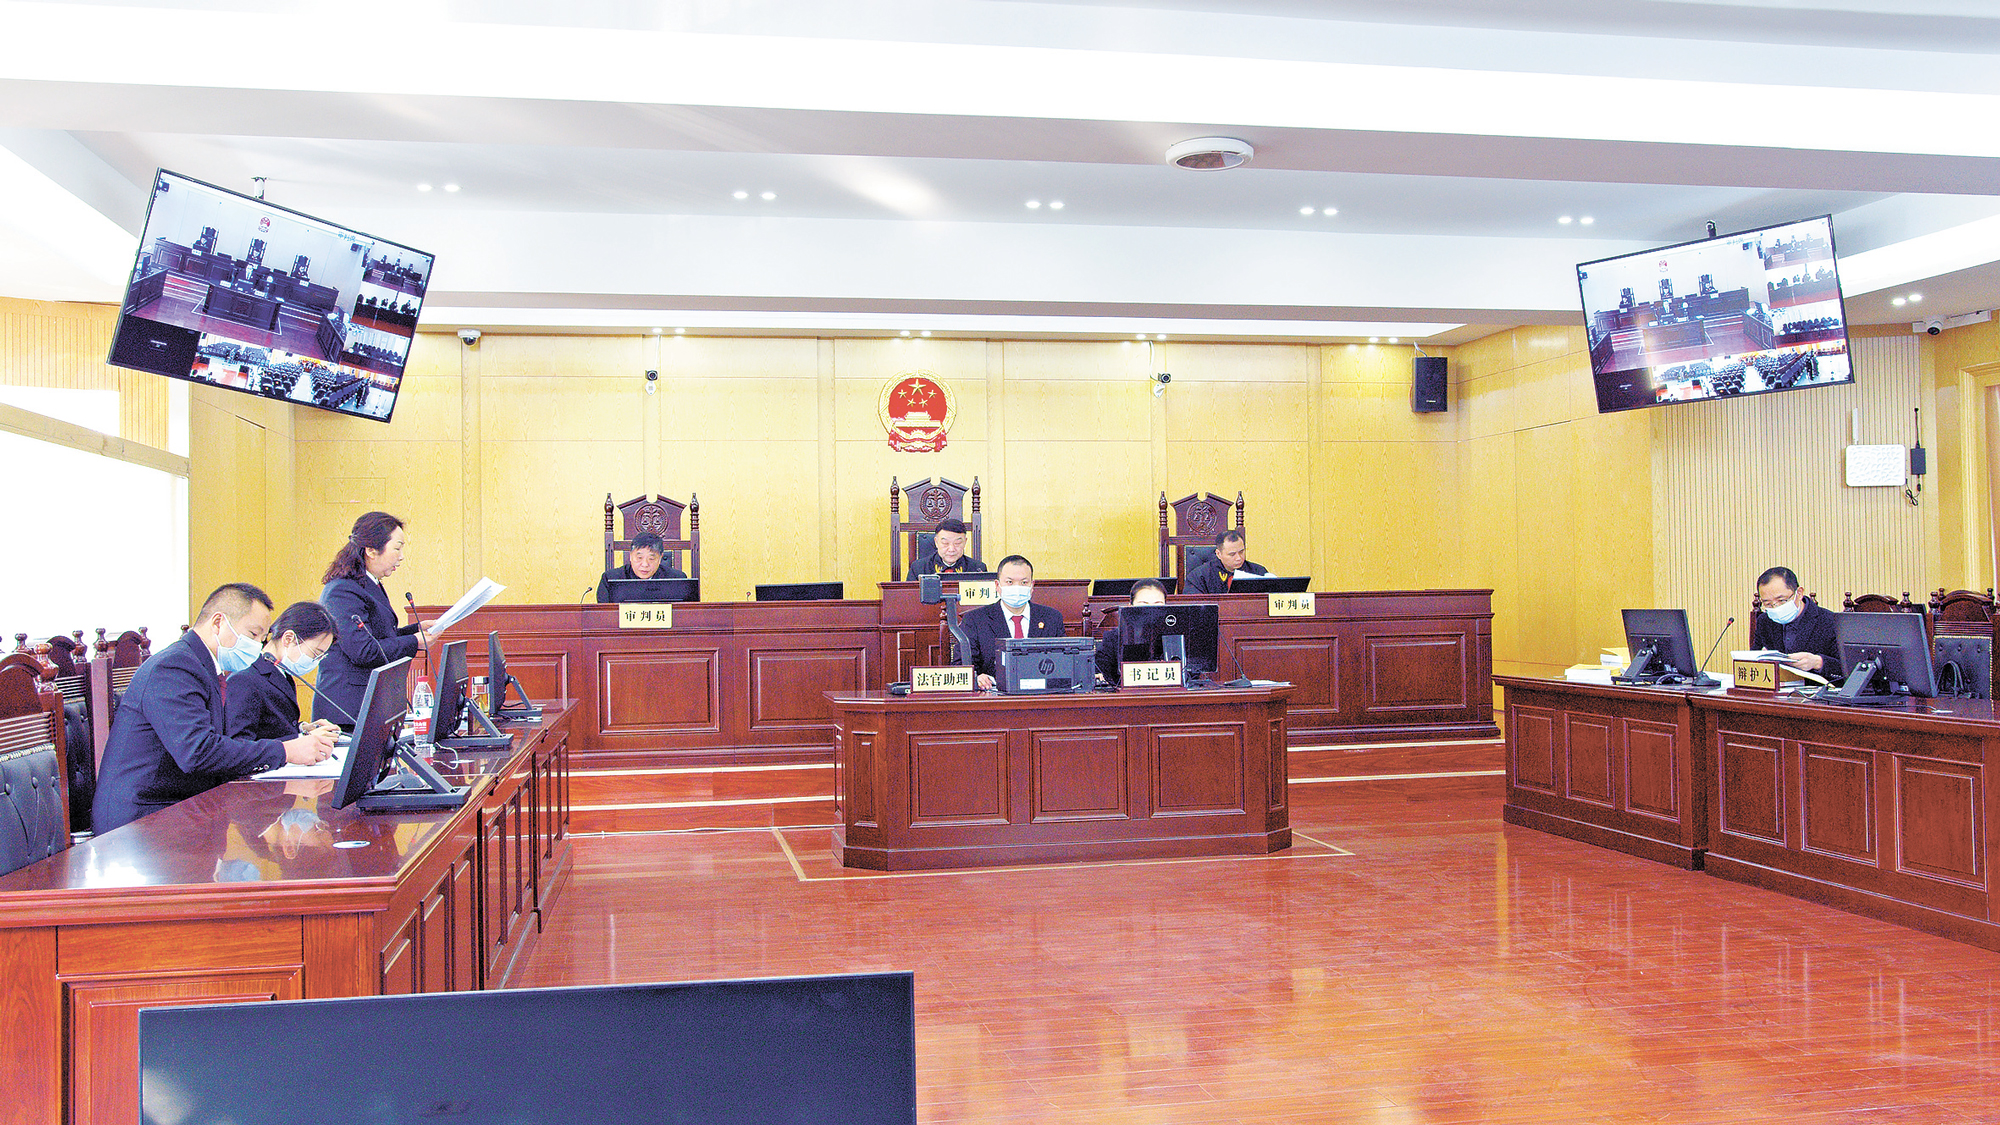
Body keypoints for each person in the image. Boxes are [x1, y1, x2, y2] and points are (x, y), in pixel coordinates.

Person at [91, 584, 338, 834]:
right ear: (218, 623)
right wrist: (285, 751)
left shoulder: (201, 665)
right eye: (252, 634)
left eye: (260, 638)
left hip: (181, 808)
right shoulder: (174, 666)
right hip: (141, 822)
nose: (257, 646)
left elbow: (217, 743)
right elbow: (197, 752)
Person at [318, 511, 435, 726]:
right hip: (348, 710)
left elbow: (378, 635)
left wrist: (415, 630)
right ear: (371, 550)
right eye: (397, 548)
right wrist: (414, 641)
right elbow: (364, 650)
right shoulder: (342, 590)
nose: (401, 556)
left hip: (369, 705)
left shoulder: (368, 583)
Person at [226, 601, 341, 743]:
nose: (315, 661)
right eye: (315, 653)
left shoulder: (283, 673)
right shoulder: (245, 678)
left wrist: (303, 729)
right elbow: (239, 743)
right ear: (288, 638)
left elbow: (273, 727)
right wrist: (301, 740)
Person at [962, 555, 1066, 690]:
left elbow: (1064, 662)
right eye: (1010, 582)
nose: (1017, 587)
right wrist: (976, 677)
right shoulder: (975, 620)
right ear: (997, 585)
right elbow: (962, 666)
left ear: (1032, 586)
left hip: (1041, 694)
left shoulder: (1051, 618)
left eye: (1024, 582)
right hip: (994, 696)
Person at [1749, 566, 1842, 676]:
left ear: (1799, 593)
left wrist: (1818, 663)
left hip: (1817, 685)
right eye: (1768, 604)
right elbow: (1754, 659)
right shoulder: (1764, 621)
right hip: (1779, 685)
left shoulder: (1830, 621)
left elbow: (1849, 669)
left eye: (1781, 600)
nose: (1775, 607)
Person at [1096, 578, 1168, 682]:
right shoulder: (1113, 638)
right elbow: (1101, 672)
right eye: (1144, 604)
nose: (1150, 611)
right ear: (1130, 607)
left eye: (1158, 604)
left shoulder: (1176, 638)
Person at [596, 532, 689, 602]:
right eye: (639, 558)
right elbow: (604, 615)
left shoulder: (677, 580)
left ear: (660, 558)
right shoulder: (610, 579)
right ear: (630, 556)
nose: (645, 564)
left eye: (651, 559)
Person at [1183, 530, 1269, 594]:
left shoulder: (1259, 573)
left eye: (1241, 552)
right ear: (1218, 554)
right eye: (1232, 554)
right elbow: (1193, 606)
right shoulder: (1199, 576)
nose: (1239, 558)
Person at [906, 518, 984, 580]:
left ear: (965, 542)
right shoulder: (918, 569)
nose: (951, 549)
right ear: (936, 542)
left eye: (957, 543)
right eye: (945, 543)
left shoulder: (978, 569)